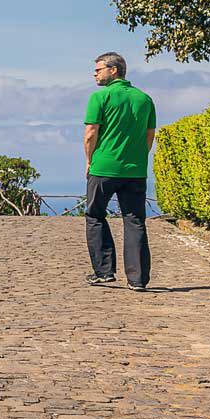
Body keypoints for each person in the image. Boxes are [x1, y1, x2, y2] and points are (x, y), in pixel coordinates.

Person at [83, 52, 156, 289]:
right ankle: (137, 279)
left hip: (104, 167)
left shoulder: (100, 97)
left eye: (98, 69)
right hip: (135, 170)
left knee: (95, 216)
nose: (95, 74)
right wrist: (138, 157)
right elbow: (149, 135)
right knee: (135, 220)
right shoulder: (144, 99)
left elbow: (91, 133)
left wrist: (89, 161)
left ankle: (104, 271)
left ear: (113, 70)